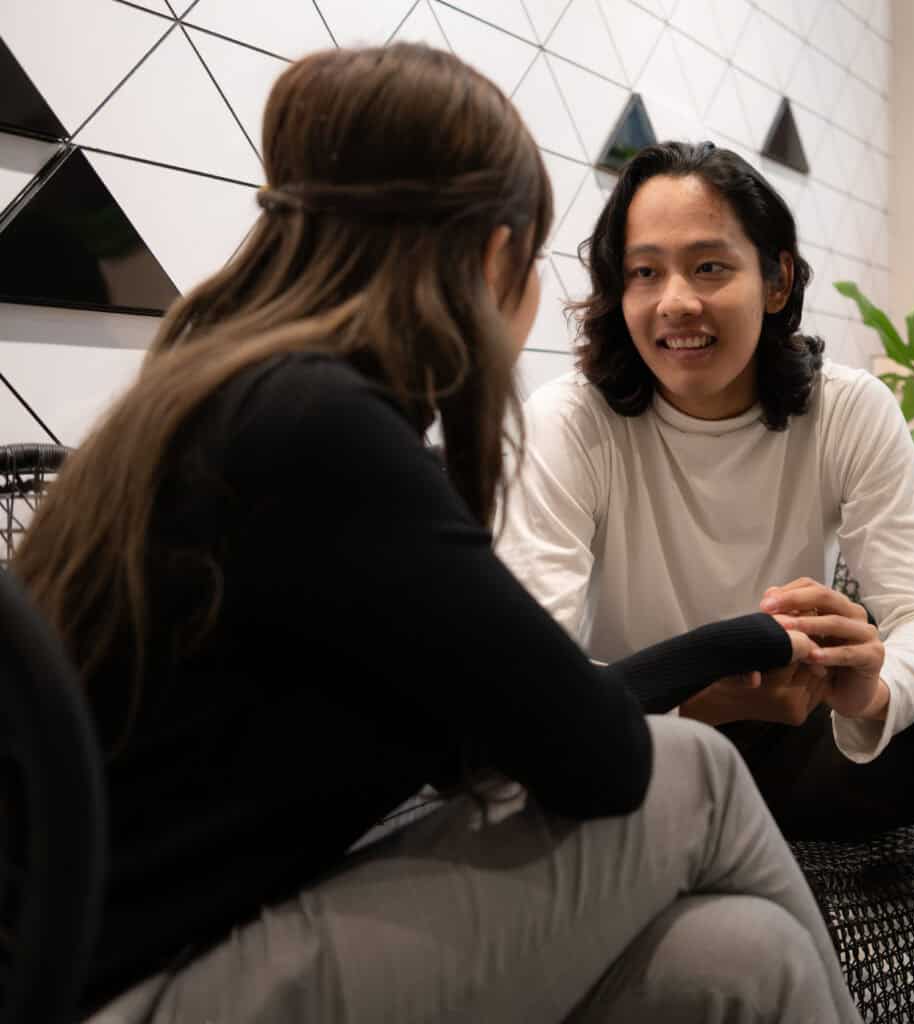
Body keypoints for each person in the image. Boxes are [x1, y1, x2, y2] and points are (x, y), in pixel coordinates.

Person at [14, 48, 862, 1024]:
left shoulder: (229, 398)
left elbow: (502, 724)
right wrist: (744, 646)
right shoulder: (319, 431)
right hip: (133, 990)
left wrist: (739, 645)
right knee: (699, 773)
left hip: (152, 958)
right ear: (498, 256)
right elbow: (595, 753)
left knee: (737, 957)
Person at [501, 140, 914, 1022]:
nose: (677, 304)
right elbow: (529, 687)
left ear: (777, 281)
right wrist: (710, 704)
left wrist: (872, 686)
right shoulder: (571, 425)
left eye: (710, 267)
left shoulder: (845, 408)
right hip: (647, 757)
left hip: (805, 741)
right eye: (643, 273)